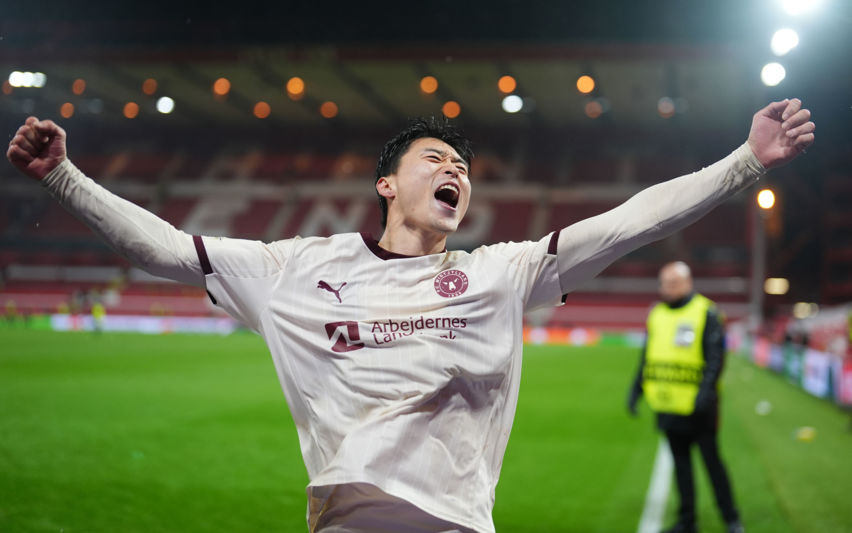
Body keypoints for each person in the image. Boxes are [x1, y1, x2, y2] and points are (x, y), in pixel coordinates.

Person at [7, 98, 813, 533]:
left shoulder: (498, 273)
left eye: (462, 163)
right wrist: (64, 178)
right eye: (436, 158)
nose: (455, 166)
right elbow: (165, 251)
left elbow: (630, 222)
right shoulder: (295, 268)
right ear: (387, 184)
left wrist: (745, 162)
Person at [627, 262, 742, 533]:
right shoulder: (656, 314)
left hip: (700, 409)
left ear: (686, 283)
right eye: (663, 283)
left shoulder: (706, 312)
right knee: (681, 466)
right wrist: (636, 390)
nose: (665, 288)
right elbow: (647, 356)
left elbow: (716, 358)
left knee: (712, 463)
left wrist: (705, 394)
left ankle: (731, 519)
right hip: (667, 404)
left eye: (671, 283)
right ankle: (687, 521)